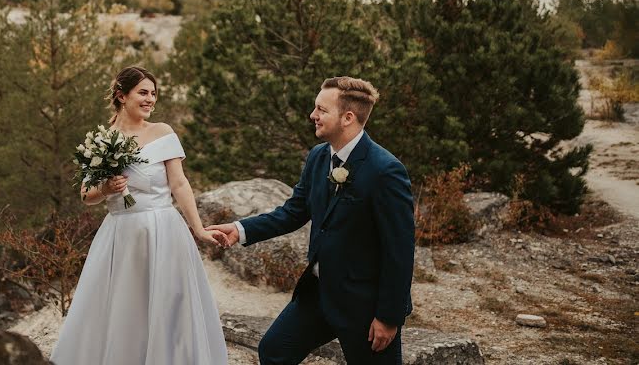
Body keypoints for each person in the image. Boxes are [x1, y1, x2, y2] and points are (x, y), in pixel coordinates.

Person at [206, 76, 414, 365]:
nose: (312, 115)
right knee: (274, 351)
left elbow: (400, 251)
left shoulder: (386, 171)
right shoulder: (318, 157)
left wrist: (388, 317)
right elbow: (293, 212)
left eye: (321, 109)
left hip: (363, 304)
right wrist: (240, 229)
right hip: (318, 293)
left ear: (348, 118)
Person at [51, 66, 229, 365]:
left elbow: (179, 184)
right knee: (126, 307)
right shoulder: (102, 141)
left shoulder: (163, 132)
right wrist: (106, 188)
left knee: (170, 303)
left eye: (154, 94)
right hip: (122, 235)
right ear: (121, 96)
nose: (150, 100)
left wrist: (197, 229)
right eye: (143, 93)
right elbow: (86, 195)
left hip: (165, 230)